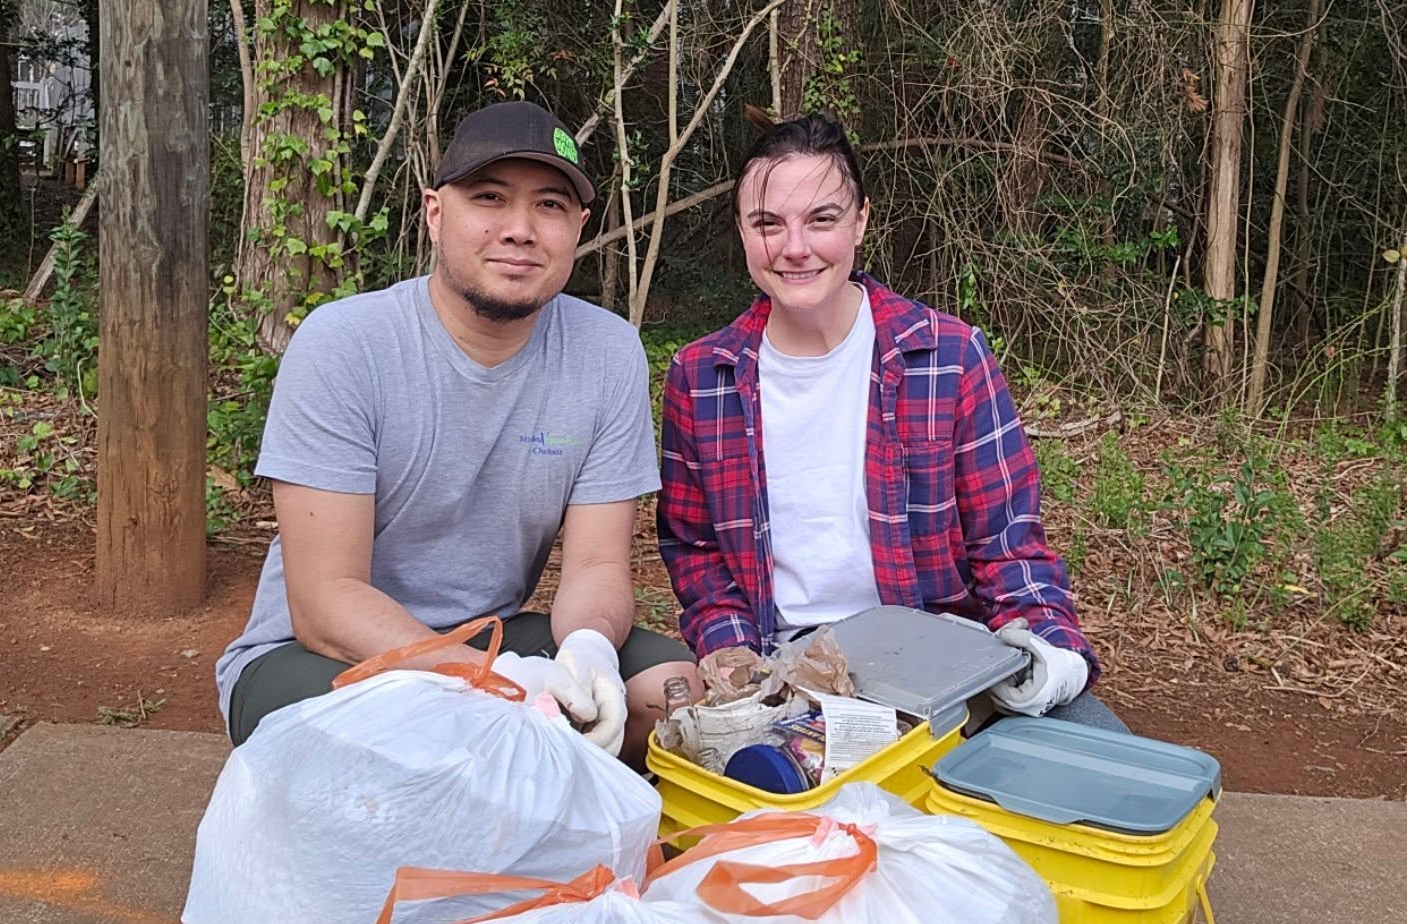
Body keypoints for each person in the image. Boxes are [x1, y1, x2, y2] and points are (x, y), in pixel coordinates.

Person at [216, 100, 698, 765]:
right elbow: (325, 601)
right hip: (314, 654)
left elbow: (596, 564)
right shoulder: (346, 344)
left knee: (667, 694)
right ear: (436, 212)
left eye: (551, 206)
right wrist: (483, 685)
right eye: (489, 198)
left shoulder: (607, 353)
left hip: (490, 635)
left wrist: (588, 650)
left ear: (579, 227)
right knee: (430, 734)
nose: (520, 230)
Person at [657, 113, 1126, 732]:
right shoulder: (701, 377)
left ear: (861, 220)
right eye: (769, 223)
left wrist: (1047, 652)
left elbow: (1008, 542)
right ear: (743, 232)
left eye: (821, 219)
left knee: (1105, 792)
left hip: (945, 658)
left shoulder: (949, 356)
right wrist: (737, 660)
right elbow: (695, 550)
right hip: (785, 668)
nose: (794, 247)